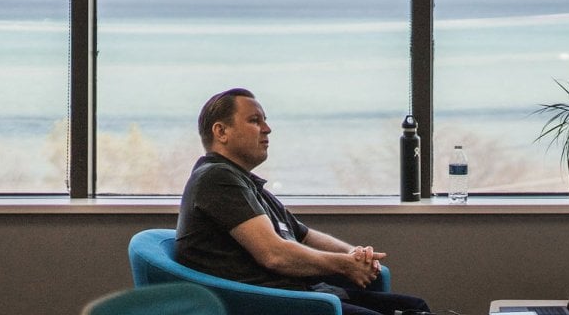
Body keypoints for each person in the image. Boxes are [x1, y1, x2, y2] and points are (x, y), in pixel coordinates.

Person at [176, 88, 431, 315]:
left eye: (265, 120)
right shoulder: (215, 178)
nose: (267, 129)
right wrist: (344, 266)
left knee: (415, 306)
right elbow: (274, 255)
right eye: (254, 121)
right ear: (221, 131)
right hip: (275, 302)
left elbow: (304, 236)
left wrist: (352, 254)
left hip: (308, 292)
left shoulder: (248, 184)